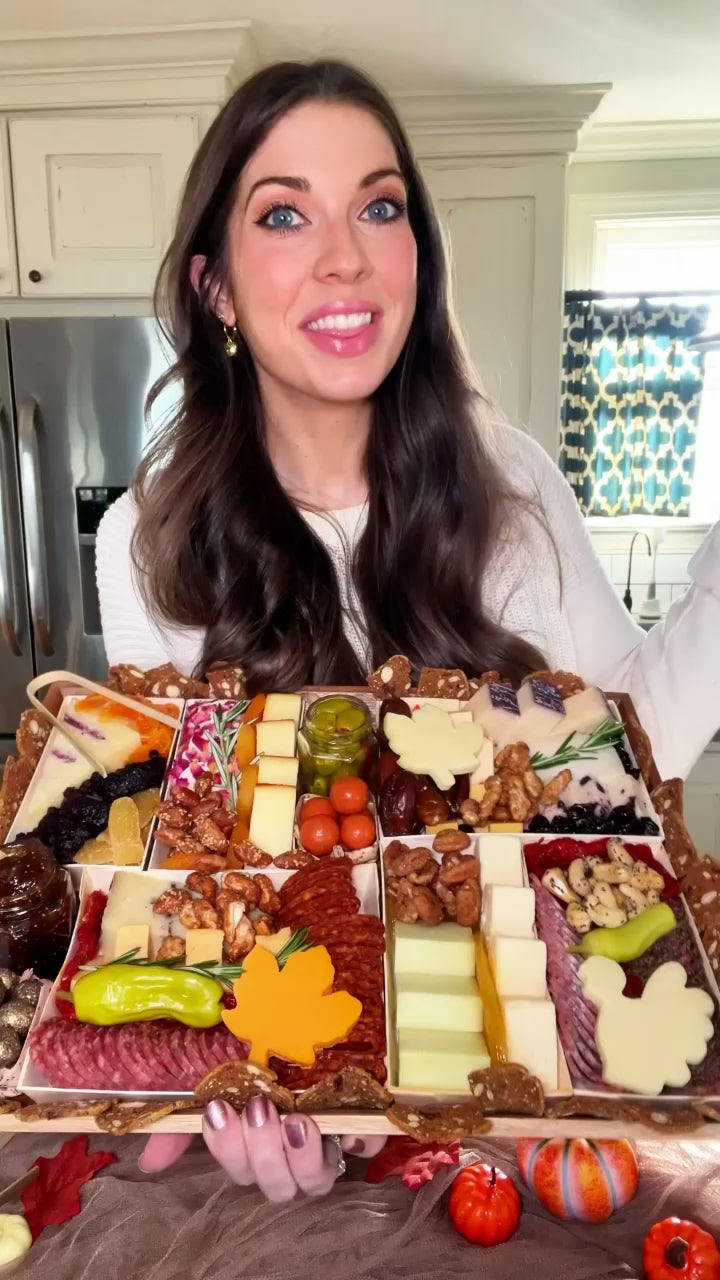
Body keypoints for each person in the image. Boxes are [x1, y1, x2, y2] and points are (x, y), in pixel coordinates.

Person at [97, 58, 720, 1199]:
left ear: (418, 257)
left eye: (380, 208)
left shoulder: (511, 480)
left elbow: (633, 748)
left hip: (530, 1102)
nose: (347, 256)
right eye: (284, 214)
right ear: (217, 287)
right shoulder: (148, 538)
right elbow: (196, 853)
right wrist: (247, 1077)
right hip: (313, 1073)